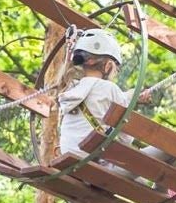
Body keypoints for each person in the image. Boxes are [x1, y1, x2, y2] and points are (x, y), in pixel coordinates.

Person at [55, 28, 152, 157]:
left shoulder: (71, 87)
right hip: (95, 162)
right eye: (116, 69)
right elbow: (126, 139)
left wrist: (130, 96)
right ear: (108, 66)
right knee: (166, 154)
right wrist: (132, 100)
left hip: (70, 158)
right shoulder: (110, 89)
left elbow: (98, 97)